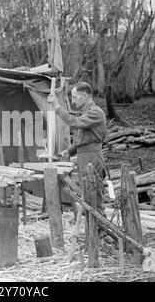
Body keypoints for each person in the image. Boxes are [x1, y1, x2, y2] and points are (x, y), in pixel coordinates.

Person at [48, 81, 107, 215]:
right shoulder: (85, 114)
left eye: (74, 97)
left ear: (84, 96)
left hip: (92, 157)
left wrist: (57, 107)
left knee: (94, 197)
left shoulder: (96, 113)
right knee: (86, 196)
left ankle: (100, 232)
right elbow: (81, 140)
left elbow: (74, 123)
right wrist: (69, 151)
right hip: (83, 157)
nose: (73, 101)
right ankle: (91, 232)